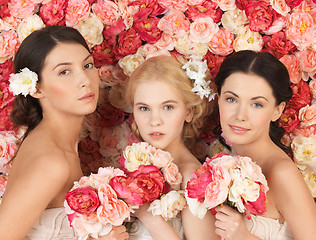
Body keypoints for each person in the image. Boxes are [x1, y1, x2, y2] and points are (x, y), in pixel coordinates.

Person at [0, 26, 128, 240]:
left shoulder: (54, 142)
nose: (85, 80)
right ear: (36, 88)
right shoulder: (52, 162)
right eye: (64, 71)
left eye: (87, 65)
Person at [213, 50, 316, 240]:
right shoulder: (221, 166)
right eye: (231, 99)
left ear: (277, 111)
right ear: (218, 98)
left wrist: (243, 236)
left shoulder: (281, 173)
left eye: (257, 104)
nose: (240, 115)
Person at [125, 55, 218, 240]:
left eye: (167, 107)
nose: (155, 121)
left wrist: (148, 216)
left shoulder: (193, 178)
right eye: (144, 108)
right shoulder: (132, 166)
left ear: (189, 112)